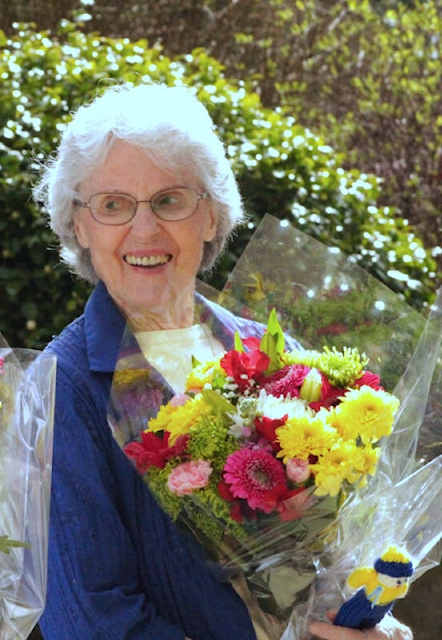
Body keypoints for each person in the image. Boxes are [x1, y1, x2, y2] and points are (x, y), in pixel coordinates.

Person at [31, 83, 412, 640]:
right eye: (112, 205)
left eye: (170, 200)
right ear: (80, 226)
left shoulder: (278, 357)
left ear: (210, 217)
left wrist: (370, 619)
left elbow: (331, 556)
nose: (144, 228)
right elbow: (91, 621)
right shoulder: (61, 388)